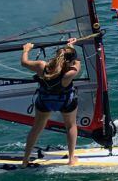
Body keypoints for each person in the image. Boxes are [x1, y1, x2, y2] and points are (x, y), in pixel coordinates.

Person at [20, 38, 82, 166]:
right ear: (69, 60)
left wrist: (26, 50)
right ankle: (71, 159)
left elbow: (24, 63)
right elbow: (77, 61)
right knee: (70, 126)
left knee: (37, 127)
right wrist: (72, 46)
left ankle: (25, 160)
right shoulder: (70, 72)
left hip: (44, 101)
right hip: (65, 102)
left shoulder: (42, 66)